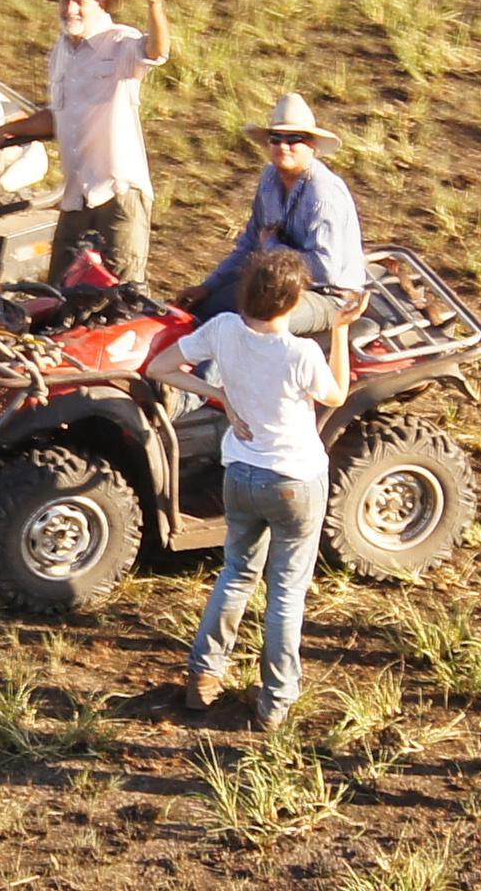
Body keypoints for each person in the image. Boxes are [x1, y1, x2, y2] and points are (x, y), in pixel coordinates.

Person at [158, 249, 344, 730]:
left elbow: (160, 367)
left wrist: (221, 397)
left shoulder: (221, 331)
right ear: (293, 300)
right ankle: (275, 702)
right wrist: (341, 331)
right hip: (295, 480)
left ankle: (203, 676)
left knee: (236, 574)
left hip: (240, 473)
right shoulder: (300, 352)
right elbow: (336, 395)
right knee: (286, 592)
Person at [0, 0, 172, 285]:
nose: (70, 8)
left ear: (100, 2)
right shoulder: (61, 52)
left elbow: (156, 51)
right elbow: (58, 115)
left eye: (79, 0)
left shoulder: (119, 41)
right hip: (75, 196)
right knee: (61, 292)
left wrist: (155, 4)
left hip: (118, 192)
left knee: (121, 294)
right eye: (64, 0)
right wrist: (6, 130)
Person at [193, 94, 369, 377]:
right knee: (203, 312)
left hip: (327, 295)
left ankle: (193, 394)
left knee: (250, 326)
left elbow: (325, 269)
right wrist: (208, 286)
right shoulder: (269, 180)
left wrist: (272, 247)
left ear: (311, 146)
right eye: (276, 138)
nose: (283, 146)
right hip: (277, 281)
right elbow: (251, 242)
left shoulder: (322, 195)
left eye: (294, 139)